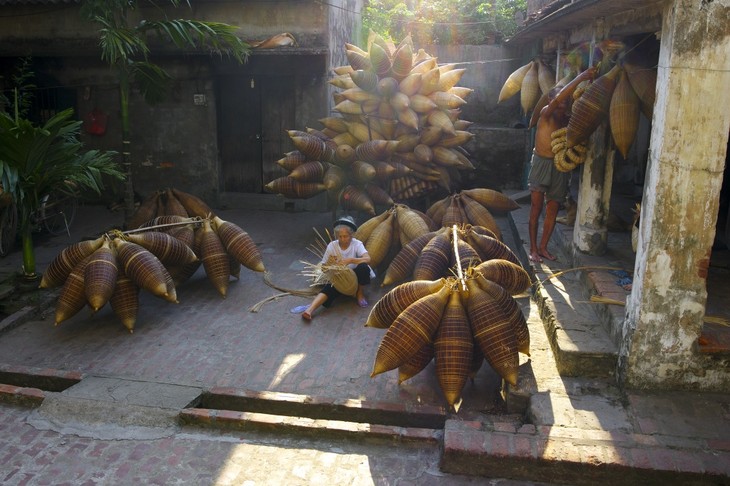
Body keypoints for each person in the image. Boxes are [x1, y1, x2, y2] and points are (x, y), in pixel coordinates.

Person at [528, 66, 597, 263]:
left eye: (566, 102)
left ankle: (543, 248)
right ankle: (533, 249)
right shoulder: (546, 113)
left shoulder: (567, 118)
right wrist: (580, 77)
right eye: (559, 102)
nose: (562, 105)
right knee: (535, 207)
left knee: (553, 207)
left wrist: (589, 84)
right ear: (551, 101)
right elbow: (559, 98)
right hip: (542, 163)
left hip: (559, 167)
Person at [302, 215, 373, 321]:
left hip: (355, 276)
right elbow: (324, 268)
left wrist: (351, 260)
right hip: (339, 277)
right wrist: (330, 266)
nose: (343, 239)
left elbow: (368, 259)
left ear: (351, 235)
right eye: (340, 236)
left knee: (363, 267)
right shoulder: (332, 246)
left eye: (346, 236)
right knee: (328, 289)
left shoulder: (357, 244)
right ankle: (310, 310)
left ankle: (359, 293)